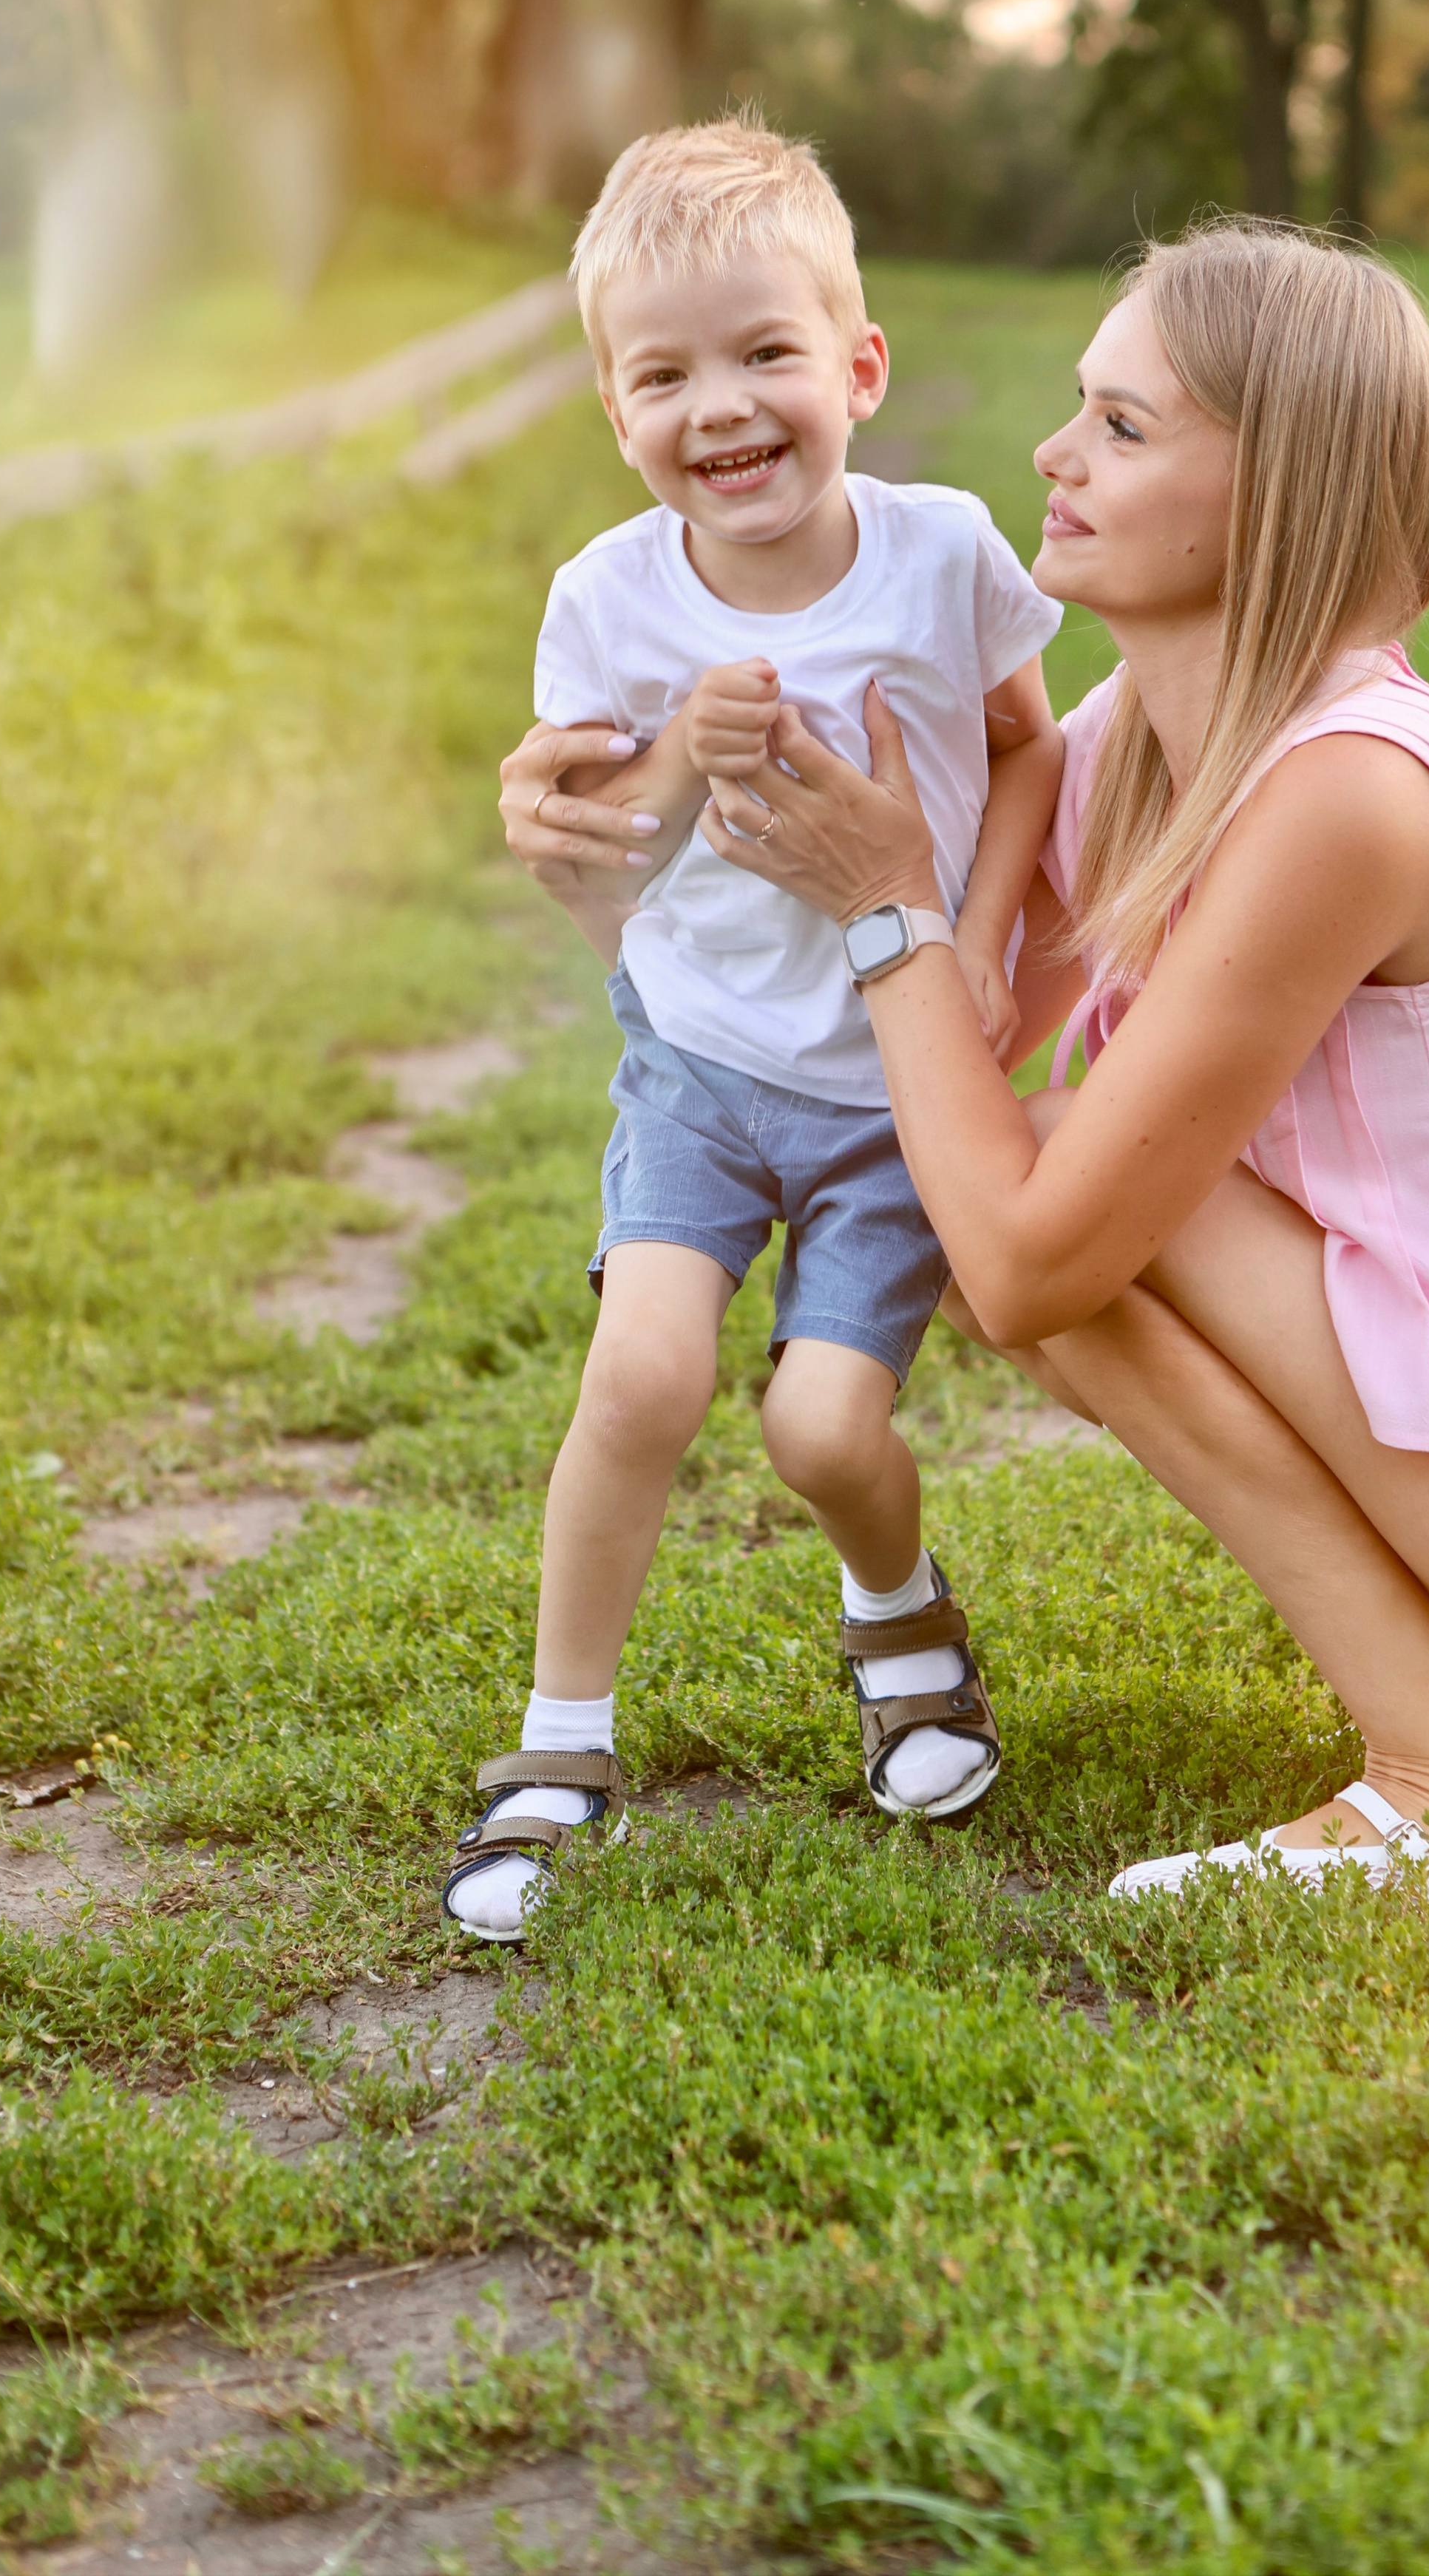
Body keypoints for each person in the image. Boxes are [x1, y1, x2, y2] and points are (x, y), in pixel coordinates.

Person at [666, 217, 1429, 1912]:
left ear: (1275, 491)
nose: (1051, 455)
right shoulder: (1151, 737)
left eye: (1125, 427)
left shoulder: (1345, 796)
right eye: (1081, 410)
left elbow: (1014, 1260)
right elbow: (946, 1061)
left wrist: (882, 907)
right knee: (1013, 1169)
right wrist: (625, 827)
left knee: (1050, 1215)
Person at [456, 119, 1065, 1942]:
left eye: (762, 355)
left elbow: (1030, 743)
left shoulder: (945, 554)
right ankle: (561, 1740)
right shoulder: (607, 598)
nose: (718, 407)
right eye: (664, 375)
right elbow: (603, 850)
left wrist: (975, 947)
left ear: (855, 368)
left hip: (892, 1082)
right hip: (703, 1062)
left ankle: (900, 1624)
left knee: (818, 1426)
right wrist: (671, 748)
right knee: (640, 1376)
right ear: (614, 407)